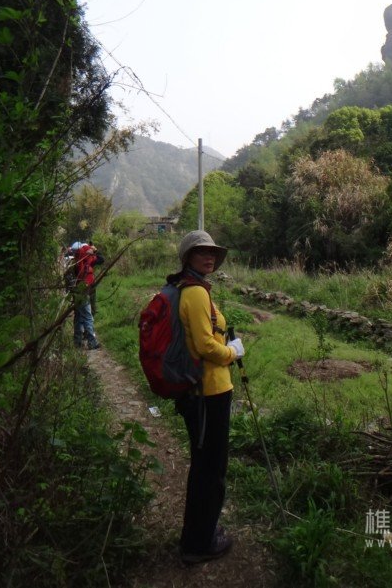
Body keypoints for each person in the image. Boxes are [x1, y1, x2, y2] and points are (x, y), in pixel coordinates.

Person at [170, 230, 245, 565]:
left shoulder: (187, 288)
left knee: (204, 466)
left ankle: (197, 534)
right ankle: (200, 543)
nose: (209, 256)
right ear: (188, 257)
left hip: (201, 391)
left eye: (212, 252)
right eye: (202, 252)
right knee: (211, 469)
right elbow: (204, 346)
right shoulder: (196, 292)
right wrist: (232, 352)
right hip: (209, 392)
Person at [72, 243, 104, 350]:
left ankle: (77, 342)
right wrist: (95, 251)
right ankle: (91, 342)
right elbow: (101, 259)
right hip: (83, 292)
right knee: (87, 316)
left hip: (77, 292)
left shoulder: (76, 262)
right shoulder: (86, 261)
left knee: (78, 316)